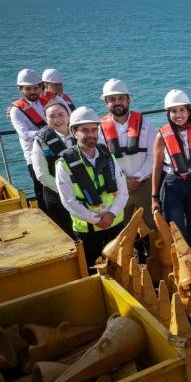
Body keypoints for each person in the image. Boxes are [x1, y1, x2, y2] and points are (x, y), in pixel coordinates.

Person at [56, 106, 128, 269]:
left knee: (121, 267)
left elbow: (123, 191)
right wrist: (95, 219)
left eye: (94, 130)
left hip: (115, 223)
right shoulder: (64, 164)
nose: (91, 135)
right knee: (91, 270)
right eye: (85, 130)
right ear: (74, 132)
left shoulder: (108, 157)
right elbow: (68, 201)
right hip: (87, 231)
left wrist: (111, 214)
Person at [151, 89, 191, 258]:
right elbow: (157, 167)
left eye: (182, 110)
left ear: (189, 111)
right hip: (172, 184)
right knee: (176, 227)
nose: (178, 114)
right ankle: (183, 261)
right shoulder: (162, 135)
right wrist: (154, 197)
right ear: (168, 113)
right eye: (174, 111)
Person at [98, 78, 156, 229]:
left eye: (121, 98)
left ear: (129, 99)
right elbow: (102, 162)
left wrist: (139, 177)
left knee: (154, 225)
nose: (117, 102)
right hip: (116, 189)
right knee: (120, 230)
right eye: (112, 99)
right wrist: (123, 181)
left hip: (144, 186)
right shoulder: (98, 130)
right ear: (106, 102)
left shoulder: (147, 124)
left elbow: (153, 155)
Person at [32, 100, 76, 236]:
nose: (57, 120)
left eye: (61, 114)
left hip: (85, 194)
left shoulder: (80, 133)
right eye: (52, 116)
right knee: (69, 234)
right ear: (46, 119)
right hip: (57, 197)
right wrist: (67, 191)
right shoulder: (40, 140)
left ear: (69, 115)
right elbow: (41, 174)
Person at [10, 68, 48, 210]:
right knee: (41, 191)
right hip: (34, 156)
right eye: (28, 89)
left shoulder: (45, 103)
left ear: (40, 88)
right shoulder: (16, 111)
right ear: (21, 89)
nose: (32, 92)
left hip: (52, 152)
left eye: (35, 88)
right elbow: (25, 134)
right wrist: (48, 133)